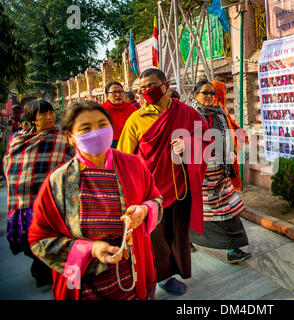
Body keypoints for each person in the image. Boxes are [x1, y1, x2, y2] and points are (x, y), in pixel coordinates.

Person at [28, 100, 162, 300]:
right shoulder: (58, 181)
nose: (97, 132)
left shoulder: (133, 164)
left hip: (131, 275)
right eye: (86, 128)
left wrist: (145, 210)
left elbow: (156, 200)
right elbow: (40, 239)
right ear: (70, 137)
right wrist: (90, 249)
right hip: (84, 285)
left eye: (102, 125)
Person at [117, 68, 209, 296]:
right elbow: (124, 158)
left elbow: (207, 139)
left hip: (179, 189)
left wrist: (188, 145)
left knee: (177, 236)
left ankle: (171, 274)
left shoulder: (186, 113)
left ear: (166, 85)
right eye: (142, 88)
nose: (147, 91)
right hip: (147, 193)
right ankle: (159, 278)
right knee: (153, 240)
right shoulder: (135, 120)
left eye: (151, 85)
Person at [3, 99, 73, 287]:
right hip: (26, 202)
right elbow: (12, 167)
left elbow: (72, 160)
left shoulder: (62, 136)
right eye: (43, 114)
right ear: (33, 117)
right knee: (30, 239)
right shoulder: (18, 139)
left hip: (54, 199)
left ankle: (46, 270)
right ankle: (41, 265)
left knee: (54, 237)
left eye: (51, 113)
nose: (49, 117)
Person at [189, 80, 251, 264]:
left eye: (212, 93)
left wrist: (230, 162)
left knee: (228, 209)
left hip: (221, 170)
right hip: (198, 172)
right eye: (204, 93)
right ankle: (188, 239)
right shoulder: (189, 115)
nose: (209, 96)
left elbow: (227, 140)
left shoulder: (219, 113)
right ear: (195, 95)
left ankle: (233, 249)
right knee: (197, 210)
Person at [101, 81, 138, 148]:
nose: (118, 95)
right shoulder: (101, 110)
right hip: (110, 143)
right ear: (107, 95)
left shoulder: (131, 108)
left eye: (120, 91)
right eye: (114, 92)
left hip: (131, 142)